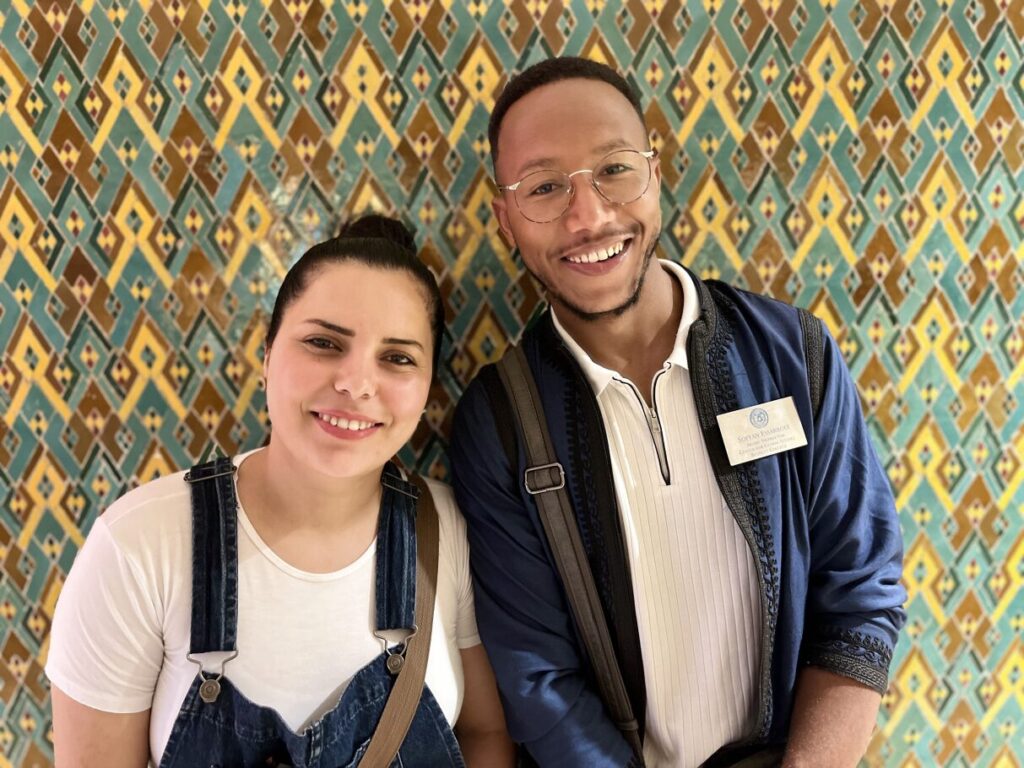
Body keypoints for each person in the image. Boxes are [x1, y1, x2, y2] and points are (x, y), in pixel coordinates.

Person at [449, 57, 906, 768]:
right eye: (544, 187)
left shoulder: (793, 354)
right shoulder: (498, 421)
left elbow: (859, 598)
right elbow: (538, 682)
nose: (589, 215)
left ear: (655, 174)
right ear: (505, 217)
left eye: (614, 169)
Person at [47, 215, 515, 767]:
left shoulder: (450, 531)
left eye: (397, 358)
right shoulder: (139, 546)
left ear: (429, 385)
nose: (356, 383)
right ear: (266, 355)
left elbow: (485, 736)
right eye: (323, 343)